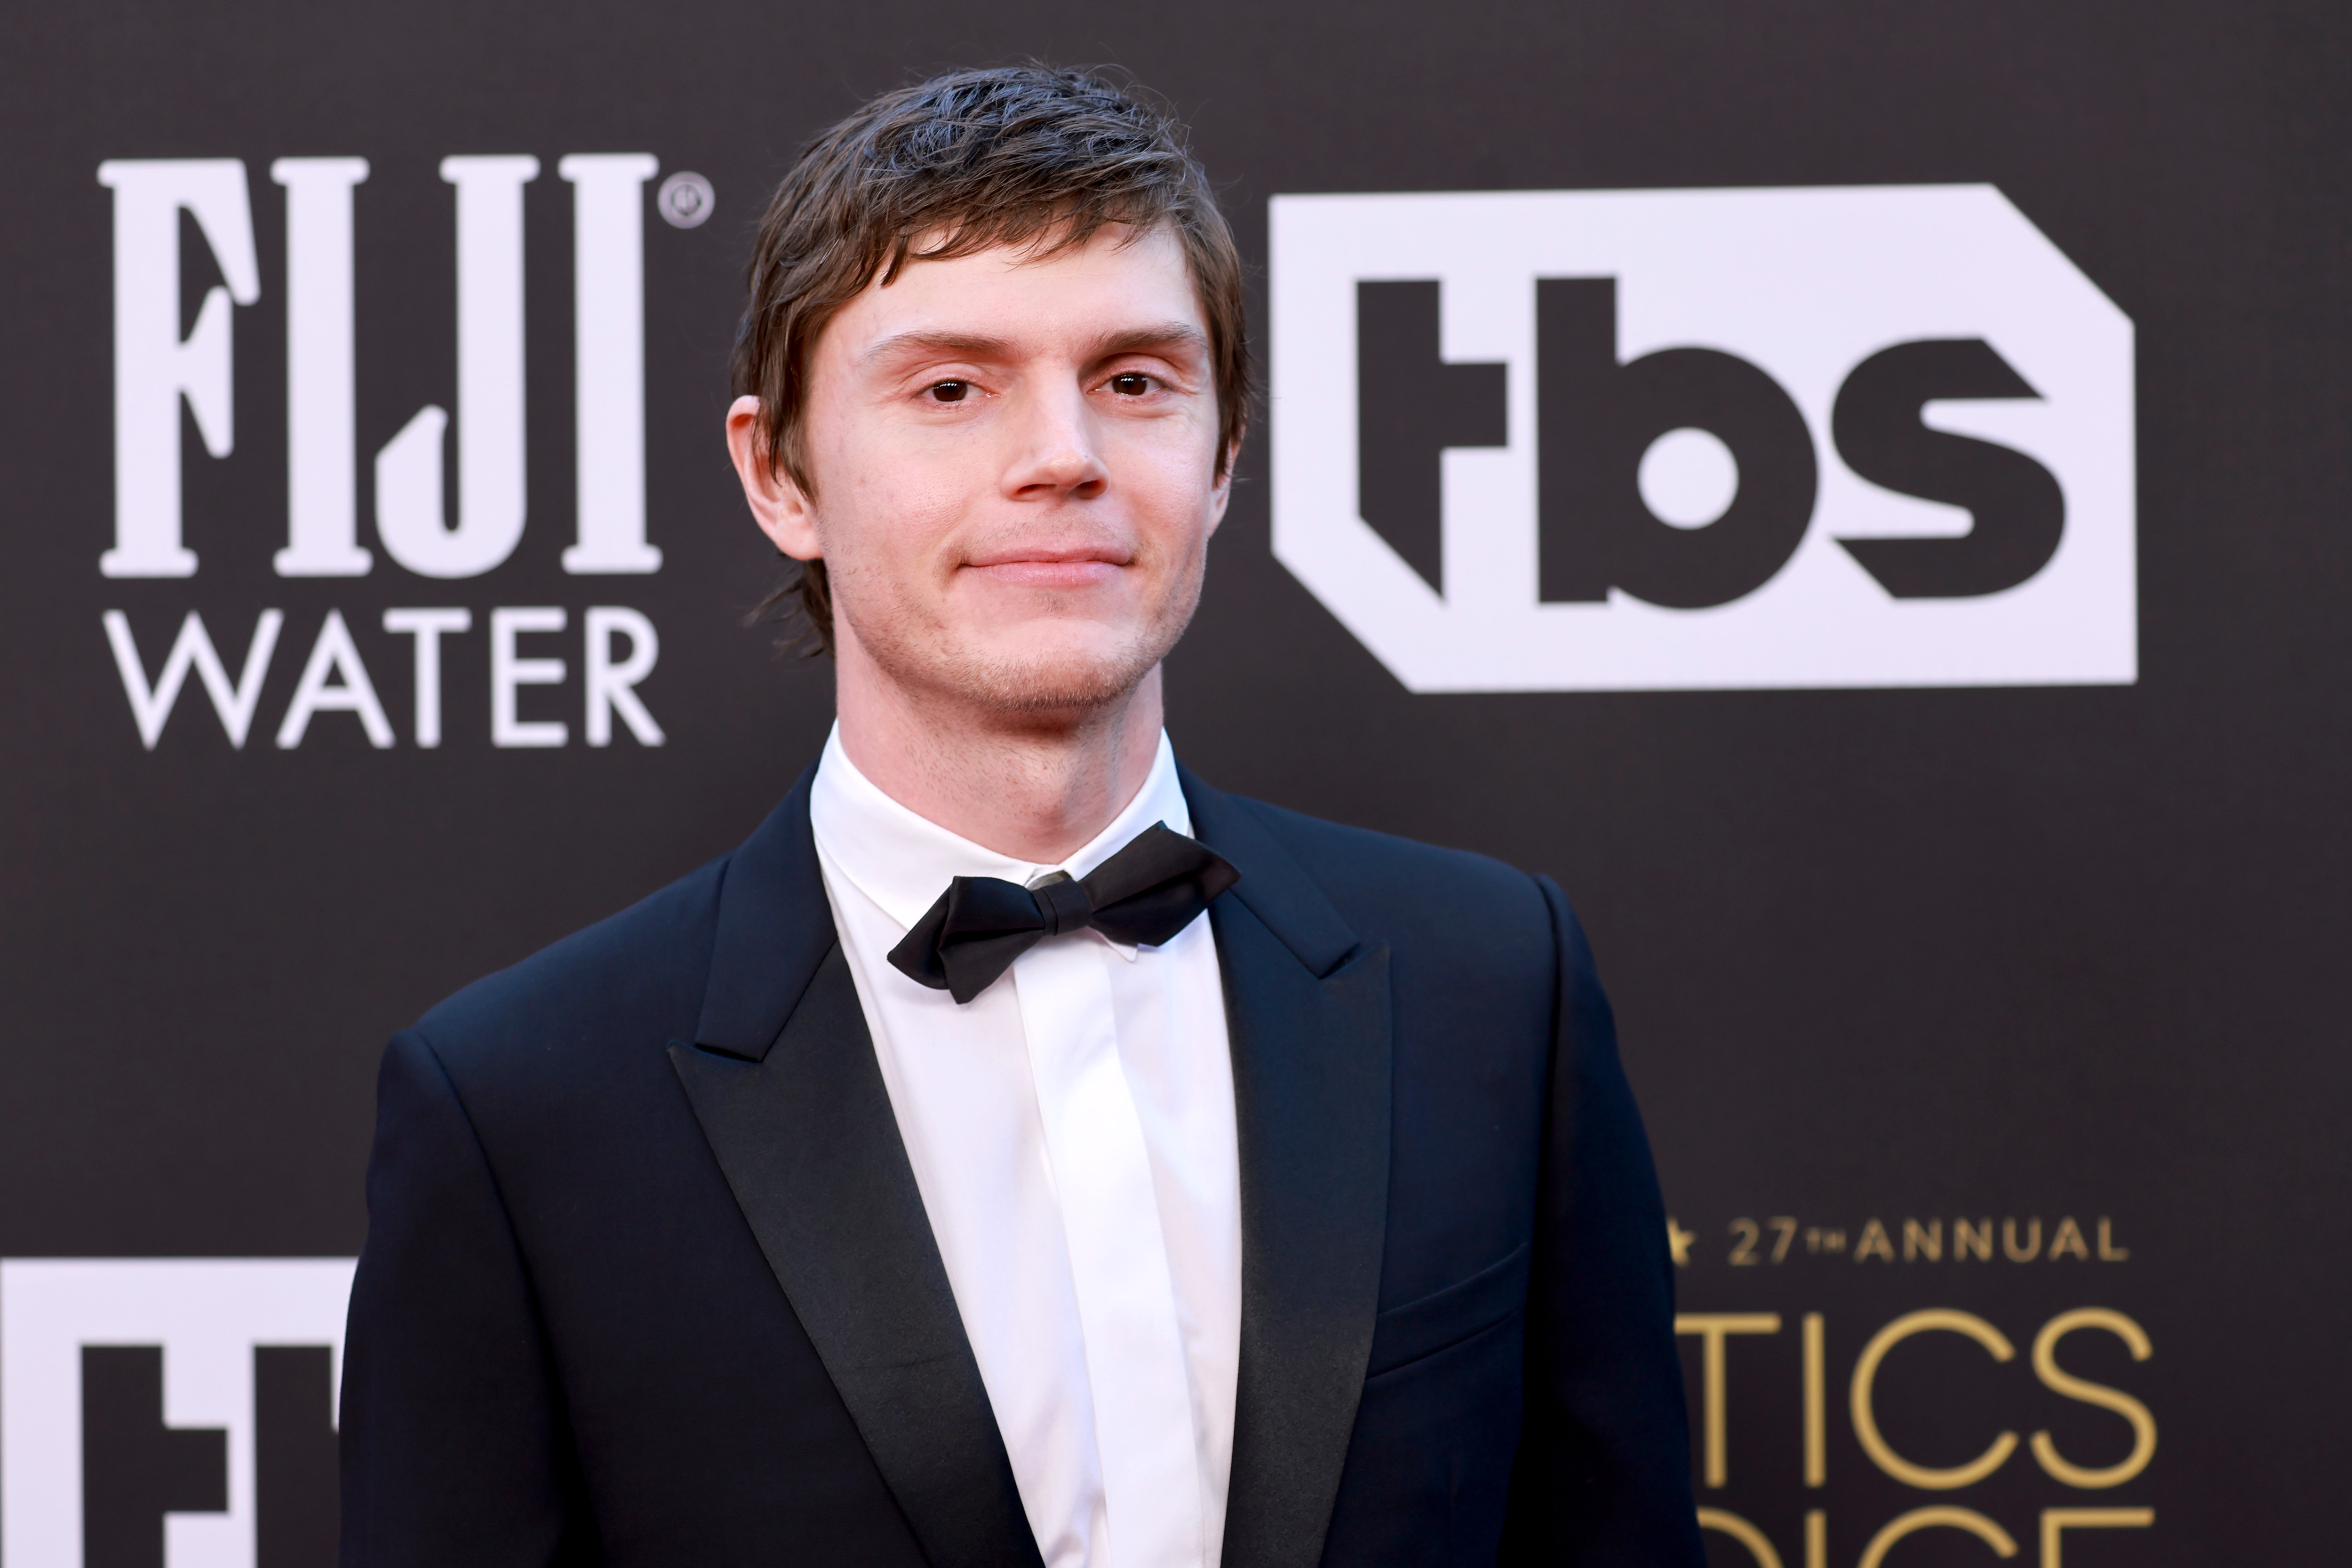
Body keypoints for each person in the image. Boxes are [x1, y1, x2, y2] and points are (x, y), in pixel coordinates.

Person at [339, 64, 1702, 1568]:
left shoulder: (1495, 983)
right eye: (949, 389)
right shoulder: (521, 1108)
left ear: (1223, 455)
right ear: (780, 474)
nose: (1064, 454)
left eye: (1133, 381)